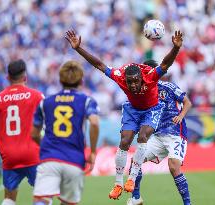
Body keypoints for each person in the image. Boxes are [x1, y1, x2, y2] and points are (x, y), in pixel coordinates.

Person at [65, 30, 183, 199]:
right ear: (125, 80)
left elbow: (165, 64)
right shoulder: (120, 76)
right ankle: (118, 183)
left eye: (136, 81)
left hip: (152, 109)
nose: (133, 85)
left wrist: (175, 48)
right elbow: (99, 64)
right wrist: (78, 49)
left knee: (143, 135)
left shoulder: (149, 76)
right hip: (132, 109)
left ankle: (132, 179)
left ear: (141, 78)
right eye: (130, 82)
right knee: (125, 140)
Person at [31, 60, 100, 205]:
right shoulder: (87, 101)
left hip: (49, 158)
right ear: (81, 81)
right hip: (74, 160)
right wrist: (92, 152)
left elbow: (34, 133)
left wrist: (44, 146)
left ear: (60, 80)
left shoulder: (46, 102)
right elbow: (94, 122)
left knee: (42, 199)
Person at [127, 60, 192, 205]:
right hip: (157, 136)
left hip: (175, 133)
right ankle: (136, 198)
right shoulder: (142, 93)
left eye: (148, 72)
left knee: (173, 166)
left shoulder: (168, 87)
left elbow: (187, 102)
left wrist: (180, 116)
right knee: (135, 161)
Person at [0, 59, 44, 205]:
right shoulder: (36, 96)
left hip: (9, 157)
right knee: (43, 196)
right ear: (25, 77)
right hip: (32, 154)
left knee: (9, 198)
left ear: (8, 77)